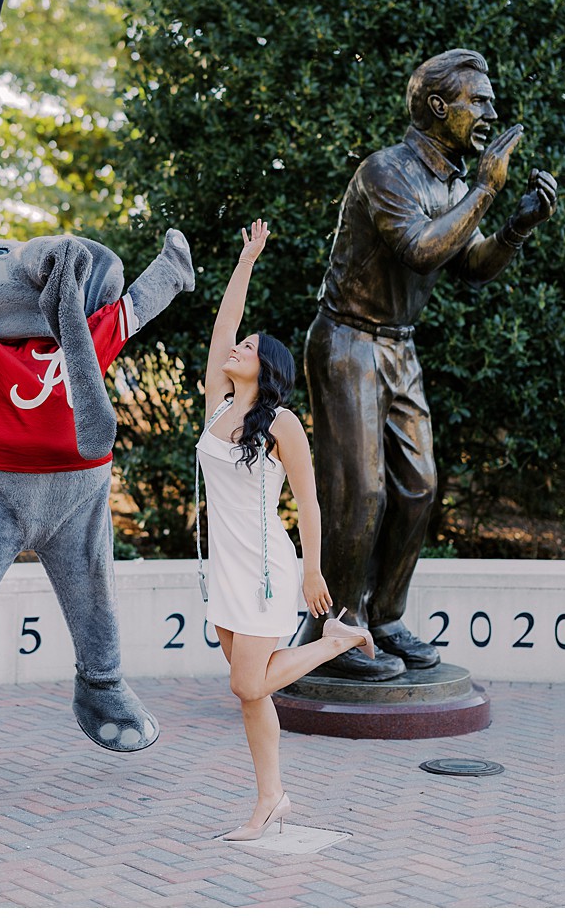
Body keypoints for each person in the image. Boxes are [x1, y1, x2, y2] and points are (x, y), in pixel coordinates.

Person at [304, 48, 558, 677]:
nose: (491, 111)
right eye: (479, 100)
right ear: (440, 106)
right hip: (348, 344)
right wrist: (486, 190)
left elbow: (467, 264)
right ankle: (336, 630)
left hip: (399, 345)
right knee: (358, 494)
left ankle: (384, 618)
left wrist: (515, 229)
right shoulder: (386, 172)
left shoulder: (448, 182)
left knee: (417, 489)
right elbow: (420, 250)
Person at [200, 220, 373, 840]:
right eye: (238, 345)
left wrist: (313, 570)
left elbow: (311, 502)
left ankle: (336, 642)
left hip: (267, 565)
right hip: (225, 566)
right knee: (254, 696)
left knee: (247, 680)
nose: (237, 347)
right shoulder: (220, 403)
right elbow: (224, 324)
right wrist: (247, 257)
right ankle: (271, 798)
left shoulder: (284, 426)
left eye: (249, 346)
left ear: (265, 366)